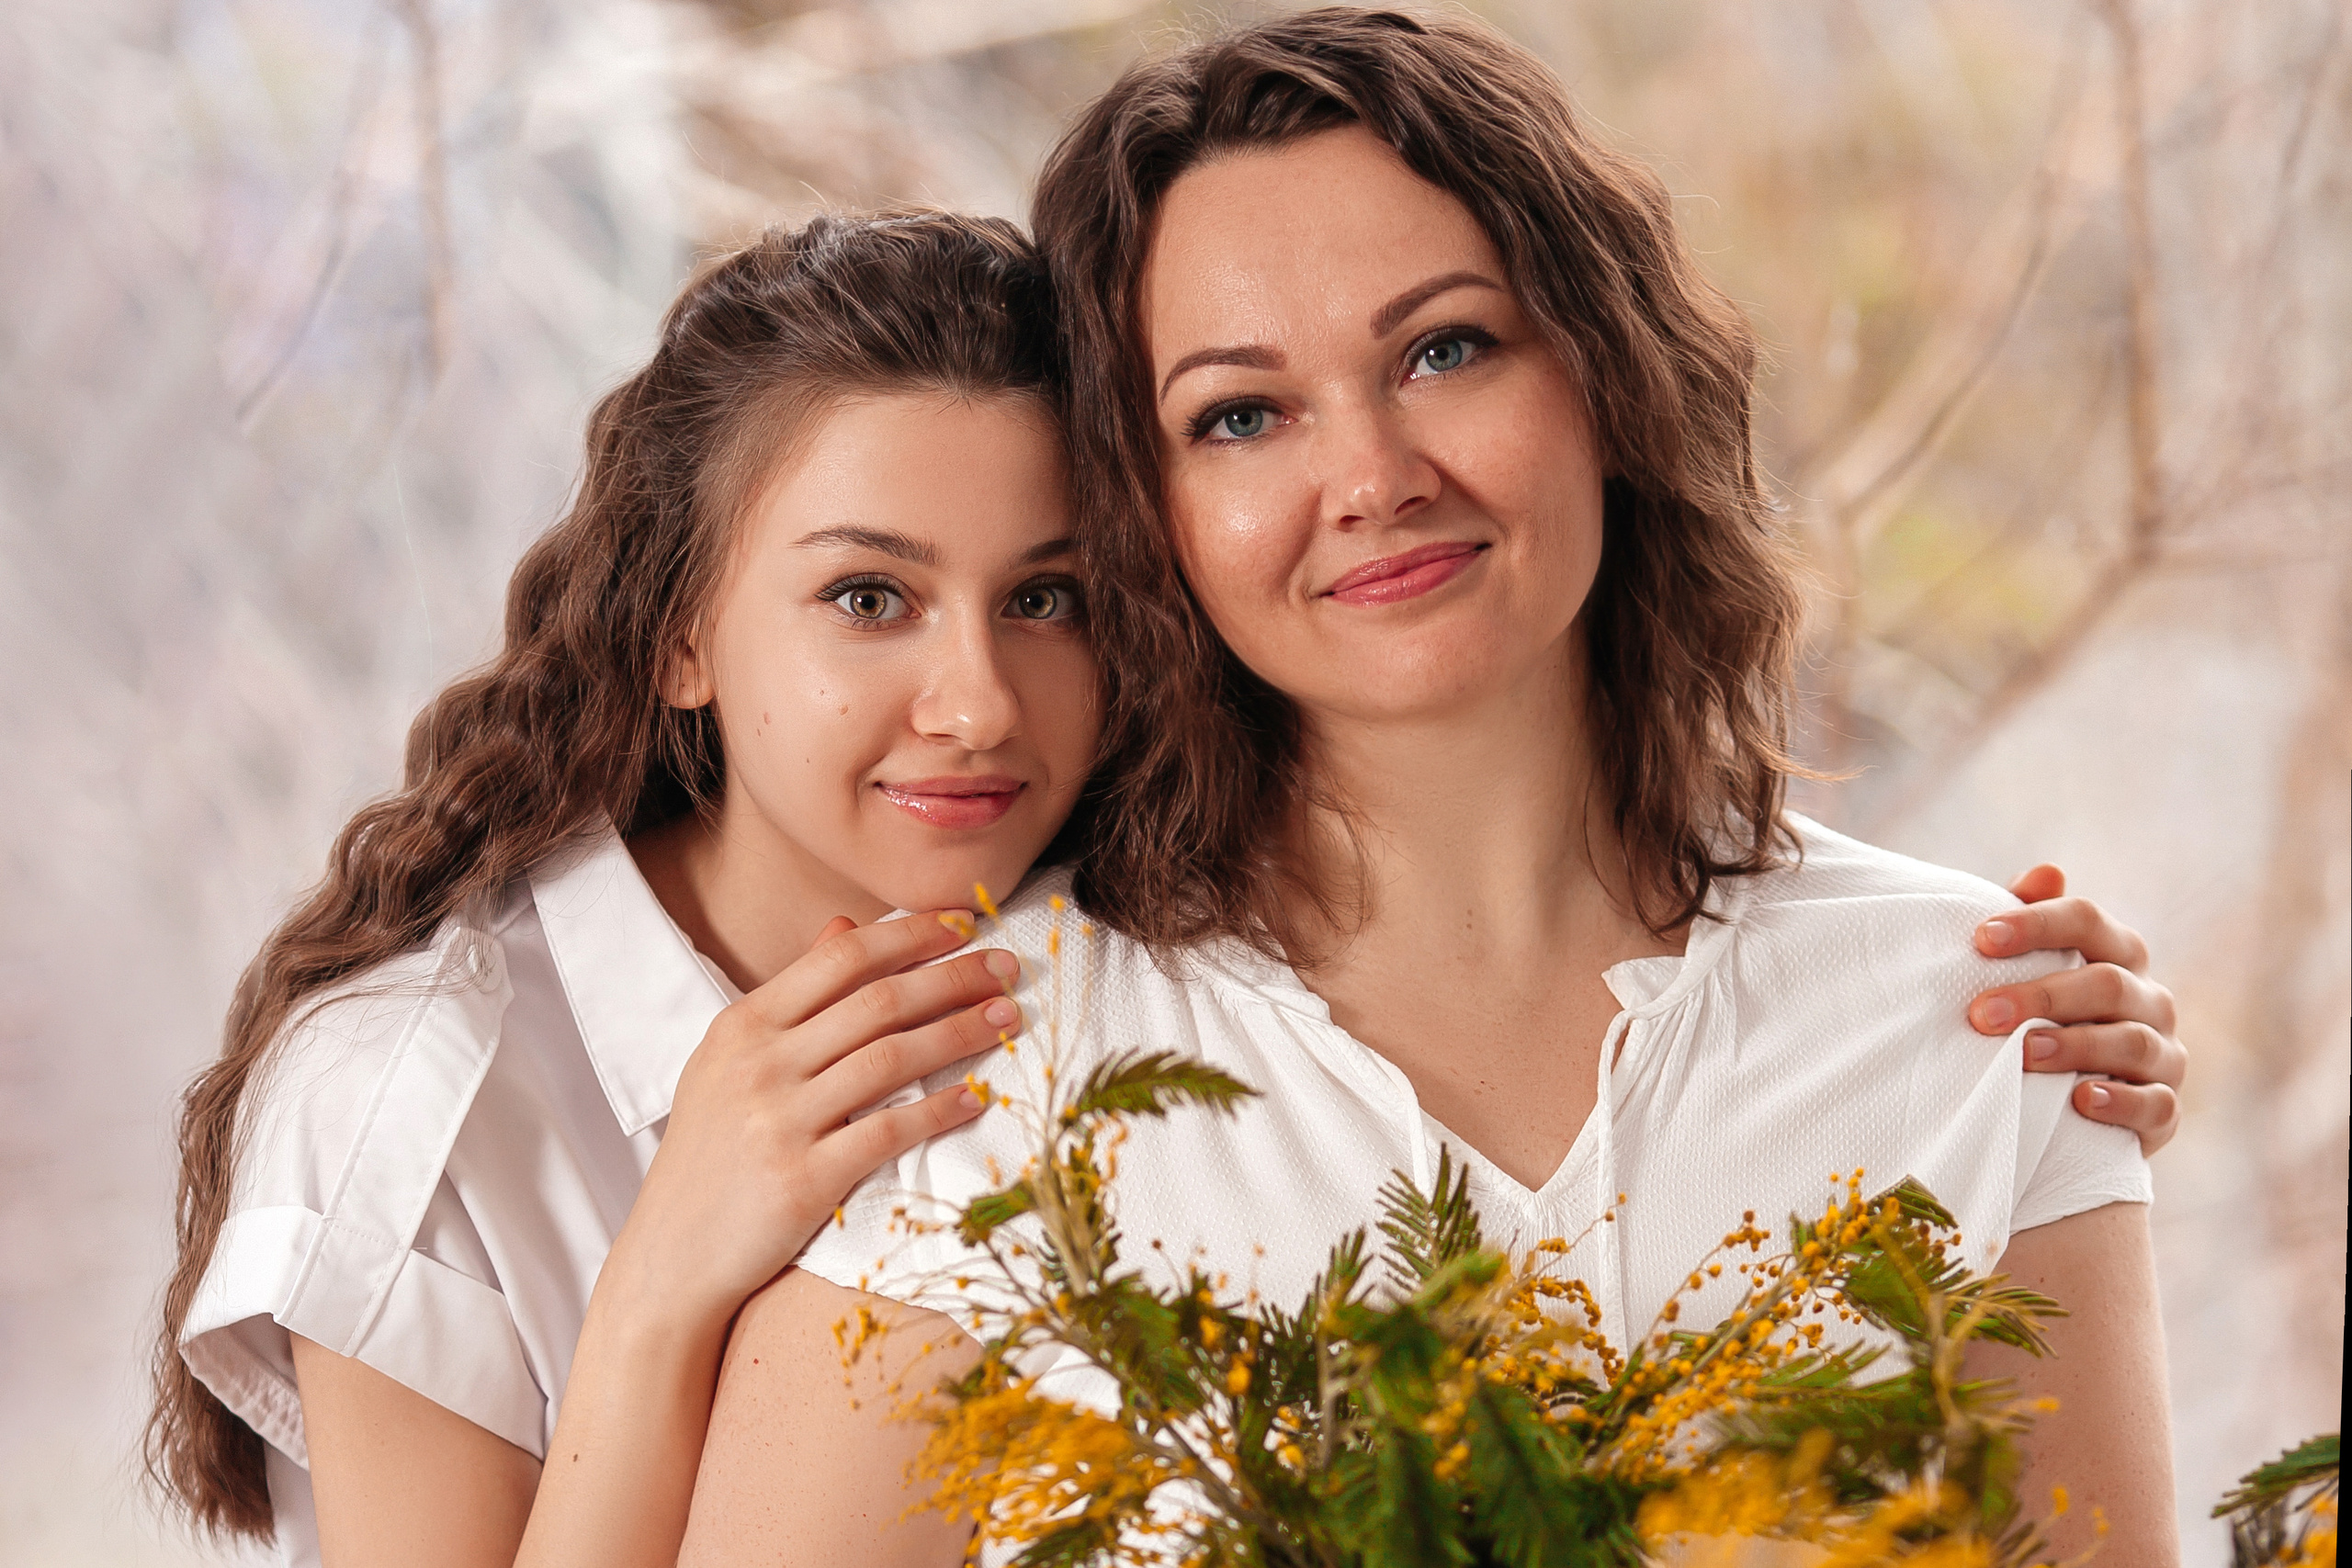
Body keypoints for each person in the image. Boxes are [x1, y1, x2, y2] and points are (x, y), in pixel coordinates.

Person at [681, 12, 2179, 1567]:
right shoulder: (983, 1084)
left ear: (1605, 374)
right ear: (1151, 511)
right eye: (1242, 415)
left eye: (1445, 349)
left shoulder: (1981, 1024)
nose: (1375, 475)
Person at [150, 213, 1101, 1568]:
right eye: (869, 598)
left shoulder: (1135, 983)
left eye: (1048, 599)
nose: (978, 704)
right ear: (679, 640)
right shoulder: (418, 1100)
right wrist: (660, 1289)